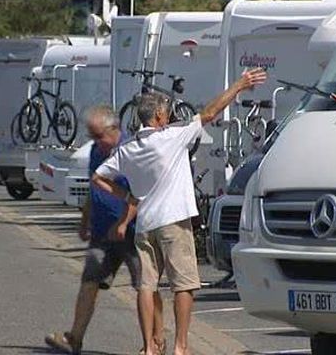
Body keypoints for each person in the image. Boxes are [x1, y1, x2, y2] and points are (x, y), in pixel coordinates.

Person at [92, 67, 267, 355]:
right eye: (168, 112)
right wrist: (240, 85)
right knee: (183, 285)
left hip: (145, 224)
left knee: (147, 286)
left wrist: (127, 195)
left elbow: (98, 177)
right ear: (159, 117)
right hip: (173, 222)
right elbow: (210, 113)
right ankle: (180, 347)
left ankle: (149, 346)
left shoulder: (128, 148)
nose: (171, 116)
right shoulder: (171, 137)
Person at [45, 105, 165, 355]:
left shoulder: (131, 150)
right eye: (92, 136)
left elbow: (139, 194)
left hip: (132, 231)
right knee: (89, 281)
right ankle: (74, 338)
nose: (96, 141)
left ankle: (156, 342)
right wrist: (85, 220)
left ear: (114, 129)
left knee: (146, 287)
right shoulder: (97, 153)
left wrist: (122, 222)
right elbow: (94, 188)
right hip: (102, 233)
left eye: (99, 135)